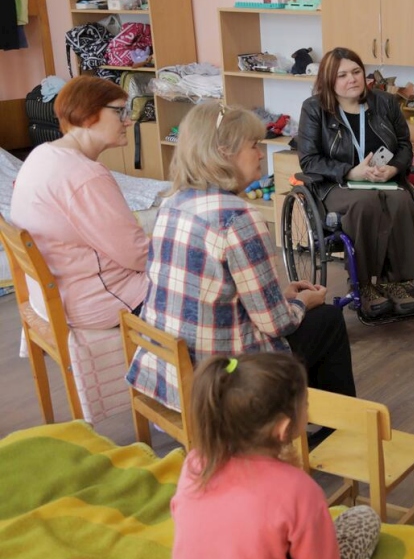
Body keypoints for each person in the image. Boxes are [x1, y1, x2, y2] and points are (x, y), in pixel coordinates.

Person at [125, 102, 355, 413]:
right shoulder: (238, 218)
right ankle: (333, 433)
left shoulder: (173, 202)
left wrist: (280, 296)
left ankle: (297, 420)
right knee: (326, 319)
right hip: (221, 379)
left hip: (168, 373)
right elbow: (276, 323)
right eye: (253, 145)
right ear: (223, 152)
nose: (261, 154)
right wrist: (302, 303)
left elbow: (216, 293)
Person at [171, 352, 381, 559]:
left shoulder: (195, 463)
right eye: (305, 404)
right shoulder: (299, 490)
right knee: (364, 517)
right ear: (283, 427)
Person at [10, 76, 148, 329]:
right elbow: (137, 256)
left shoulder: (41, 154)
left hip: (51, 296)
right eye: (119, 112)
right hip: (97, 302)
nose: (128, 121)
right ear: (87, 116)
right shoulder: (85, 175)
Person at [297, 47, 414, 317]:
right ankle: (364, 286)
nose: (351, 79)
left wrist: (392, 169)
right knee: (366, 204)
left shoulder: (385, 103)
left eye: (356, 72)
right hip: (337, 185)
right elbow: (309, 161)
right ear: (329, 80)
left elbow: (404, 145)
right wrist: (349, 172)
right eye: (342, 75)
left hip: (383, 180)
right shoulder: (314, 109)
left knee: (402, 200)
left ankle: (398, 284)